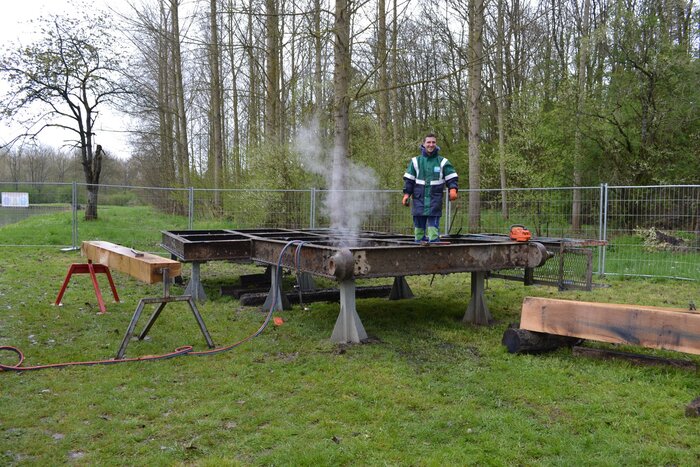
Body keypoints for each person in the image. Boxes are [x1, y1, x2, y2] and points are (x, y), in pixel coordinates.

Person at [402, 133, 458, 243]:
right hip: (419, 200)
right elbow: (409, 181)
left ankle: (434, 250)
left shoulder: (442, 162)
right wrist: (406, 194)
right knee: (419, 230)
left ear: (436, 144)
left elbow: (452, 178)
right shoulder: (415, 162)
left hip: (434, 200)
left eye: (433, 142)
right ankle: (418, 250)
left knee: (433, 230)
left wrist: (453, 189)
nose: (431, 145)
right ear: (423, 144)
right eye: (428, 142)